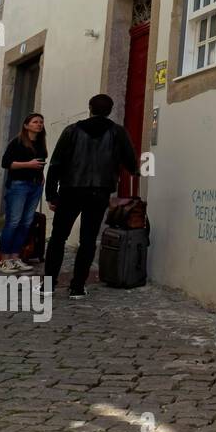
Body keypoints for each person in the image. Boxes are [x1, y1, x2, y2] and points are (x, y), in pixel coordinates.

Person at [44, 94, 139, 299]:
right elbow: (131, 162)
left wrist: (51, 194)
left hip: (71, 190)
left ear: (90, 108)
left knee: (58, 238)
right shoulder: (117, 132)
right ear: (110, 109)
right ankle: (77, 286)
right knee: (88, 240)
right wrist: (135, 171)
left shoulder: (72, 131)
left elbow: (56, 163)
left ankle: (48, 285)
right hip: (99, 192)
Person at [0, 113, 47, 274]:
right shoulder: (16, 143)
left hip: (35, 186)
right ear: (26, 125)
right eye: (35, 122)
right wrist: (28, 165)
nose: (39, 124)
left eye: (41, 122)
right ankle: (4, 259)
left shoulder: (40, 143)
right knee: (13, 222)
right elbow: (6, 163)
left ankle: (16, 258)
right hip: (18, 186)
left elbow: (40, 163)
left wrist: (41, 176)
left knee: (26, 223)